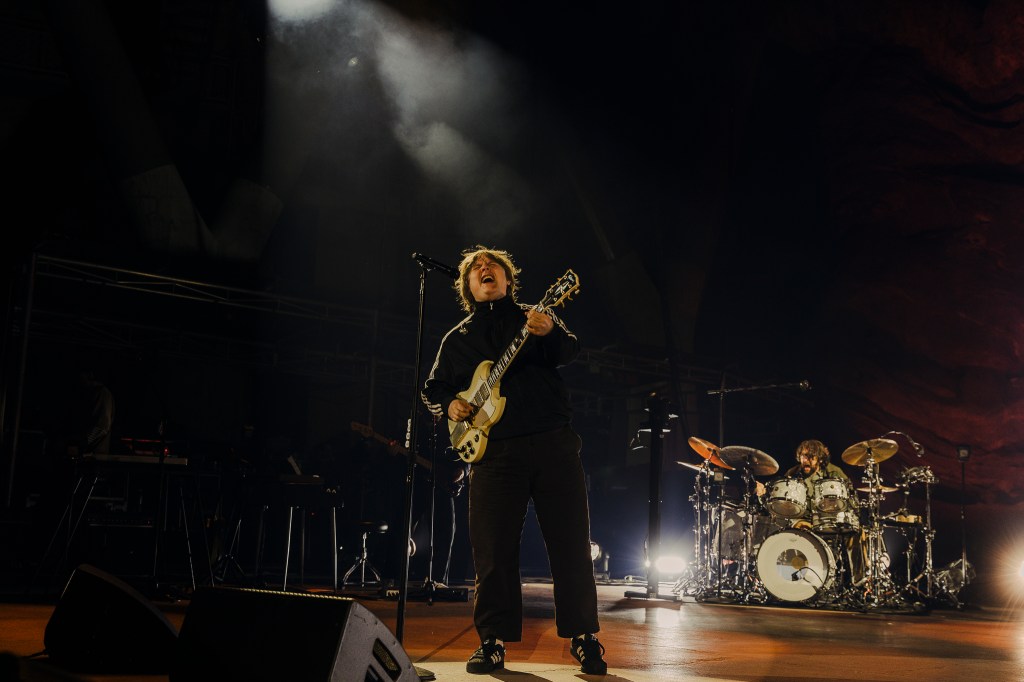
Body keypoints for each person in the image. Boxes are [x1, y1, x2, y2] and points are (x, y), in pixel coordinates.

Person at [421, 246, 607, 675]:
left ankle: (584, 637)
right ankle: (491, 641)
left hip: (553, 444)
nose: (485, 270)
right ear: (468, 286)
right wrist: (450, 404)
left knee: (571, 545)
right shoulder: (457, 339)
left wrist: (549, 333)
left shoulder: (536, 316)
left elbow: (570, 352)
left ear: (508, 280)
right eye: (476, 269)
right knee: (492, 552)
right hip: (494, 454)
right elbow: (433, 389)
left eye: (494, 266)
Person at [780, 439, 865, 584]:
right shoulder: (792, 474)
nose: (805, 460)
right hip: (804, 519)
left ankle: (860, 582)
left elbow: (850, 497)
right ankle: (799, 582)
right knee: (795, 529)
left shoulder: (834, 472)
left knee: (857, 533)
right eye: (803, 456)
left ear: (819, 458)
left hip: (830, 520)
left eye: (810, 457)